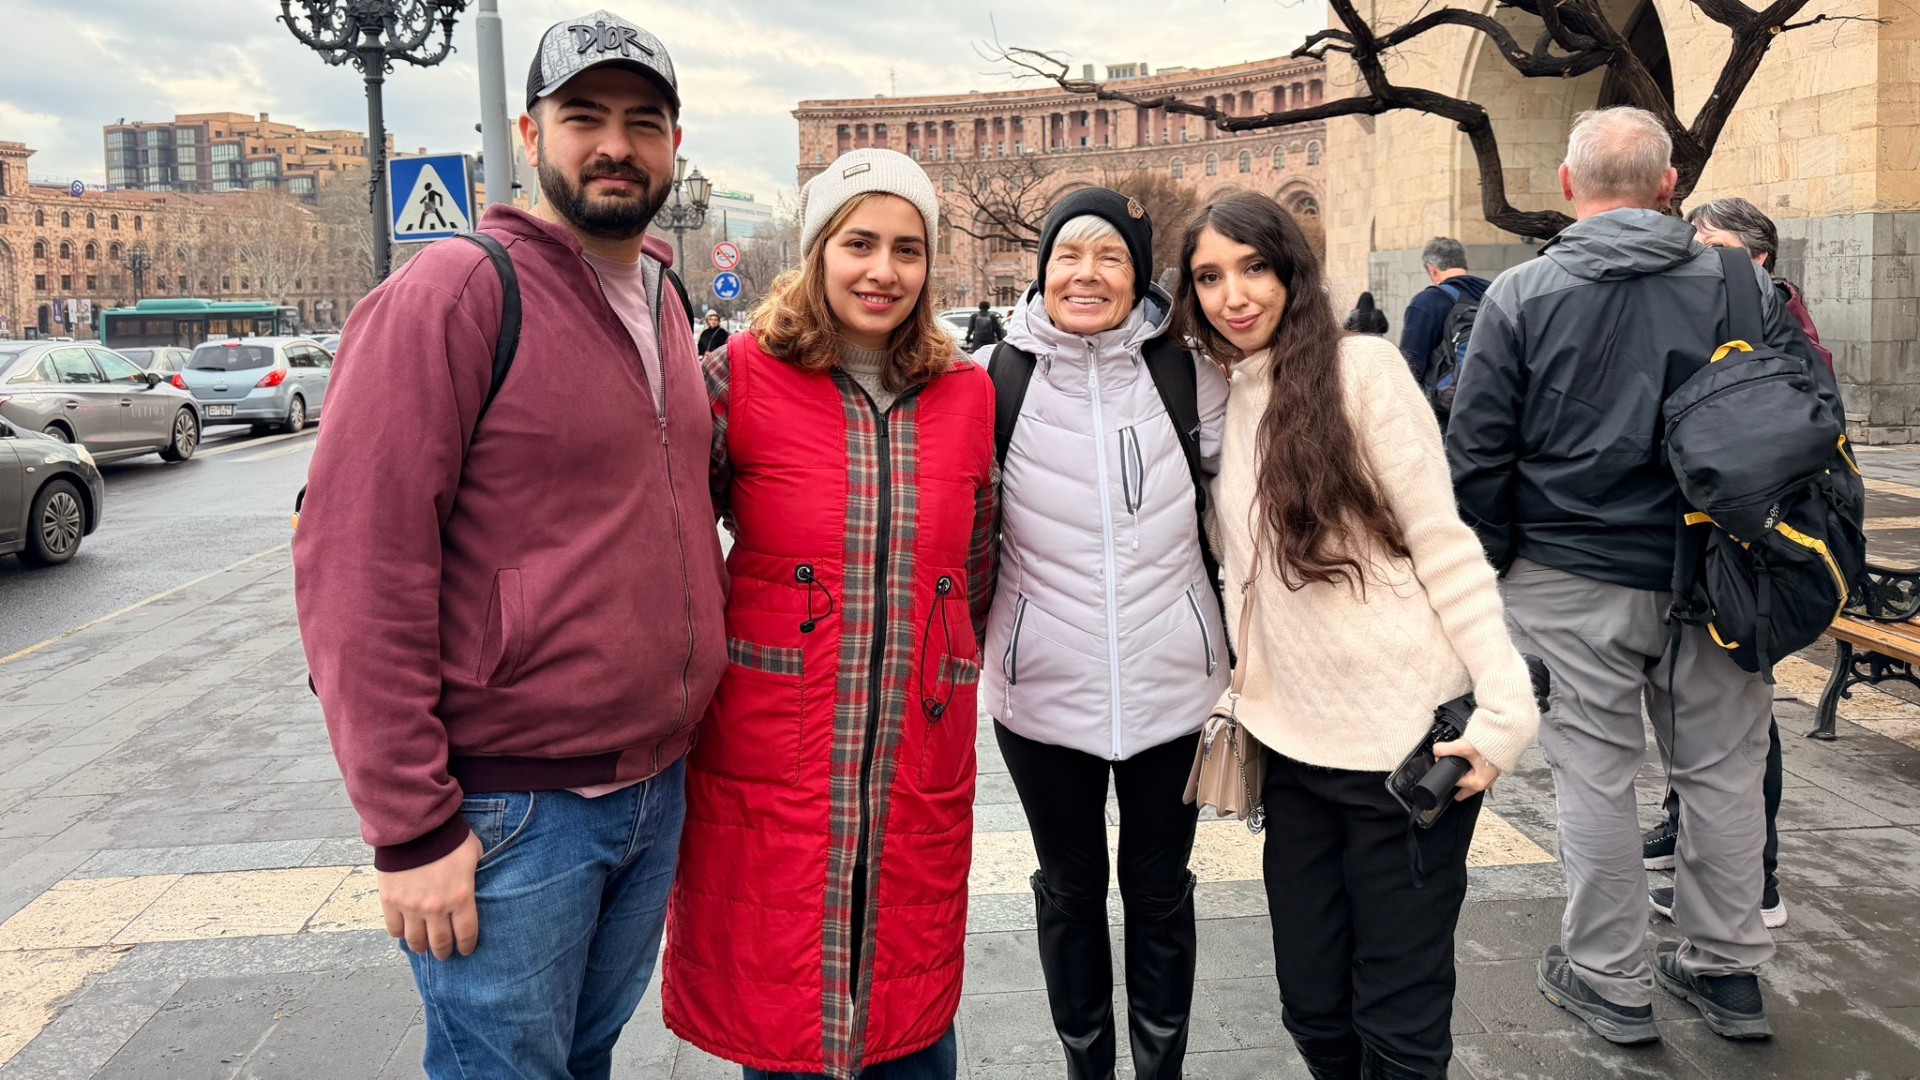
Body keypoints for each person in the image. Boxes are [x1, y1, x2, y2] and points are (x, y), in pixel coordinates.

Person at [293, 11, 725, 1078]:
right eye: (583, 117)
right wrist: (409, 828)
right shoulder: (452, 294)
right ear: (529, 138)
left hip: (651, 789)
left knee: (580, 1062)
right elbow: (355, 569)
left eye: (642, 121)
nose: (615, 144)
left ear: (676, 144)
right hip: (510, 812)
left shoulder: (664, 295)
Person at [1448, 107, 1839, 1046]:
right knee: (1723, 775)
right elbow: (1803, 416)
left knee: (1594, 776)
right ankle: (1728, 970)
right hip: (1725, 569)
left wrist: (1494, 574)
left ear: (1568, 186)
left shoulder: (1521, 294)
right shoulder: (1745, 285)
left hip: (1571, 572)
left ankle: (1609, 977)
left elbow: (1477, 457)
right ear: (1670, 186)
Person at [1182, 190, 1539, 1080]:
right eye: (1210, 277)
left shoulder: (1364, 371)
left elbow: (1444, 544)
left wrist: (1502, 714)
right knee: (1311, 1003)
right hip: (1293, 754)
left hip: (1403, 747)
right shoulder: (1228, 397)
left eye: (1254, 267)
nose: (1236, 294)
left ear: (1293, 271)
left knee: (1401, 1017)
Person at [661, 147, 996, 1080]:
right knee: (785, 1010)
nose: (882, 271)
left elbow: (975, 566)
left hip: (917, 752)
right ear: (815, 251)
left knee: (908, 1009)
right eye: (858, 242)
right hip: (774, 752)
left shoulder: (967, 393)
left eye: (907, 248)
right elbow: (677, 554)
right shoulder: (739, 378)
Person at [979, 187, 1230, 1080]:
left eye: (1110, 257)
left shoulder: (1188, 372)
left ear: (1139, 274)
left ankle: (1160, 1068)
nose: (1086, 274)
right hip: (1040, 695)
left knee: (1160, 896)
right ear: (1042, 271)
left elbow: (1266, 494)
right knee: (1071, 892)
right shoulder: (991, 380)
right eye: (1068, 257)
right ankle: (1088, 1066)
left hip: (1178, 694)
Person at [1687, 196, 1832, 369]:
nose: (1701, 256)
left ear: (1757, 257)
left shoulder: (1775, 305)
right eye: (1693, 247)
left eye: (1715, 245)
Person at [1398, 237, 1490, 384]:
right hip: (1496, 396)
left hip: (1447, 402)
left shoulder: (1426, 302)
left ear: (1431, 269)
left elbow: (1410, 366)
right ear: (1463, 263)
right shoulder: (1492, 293)